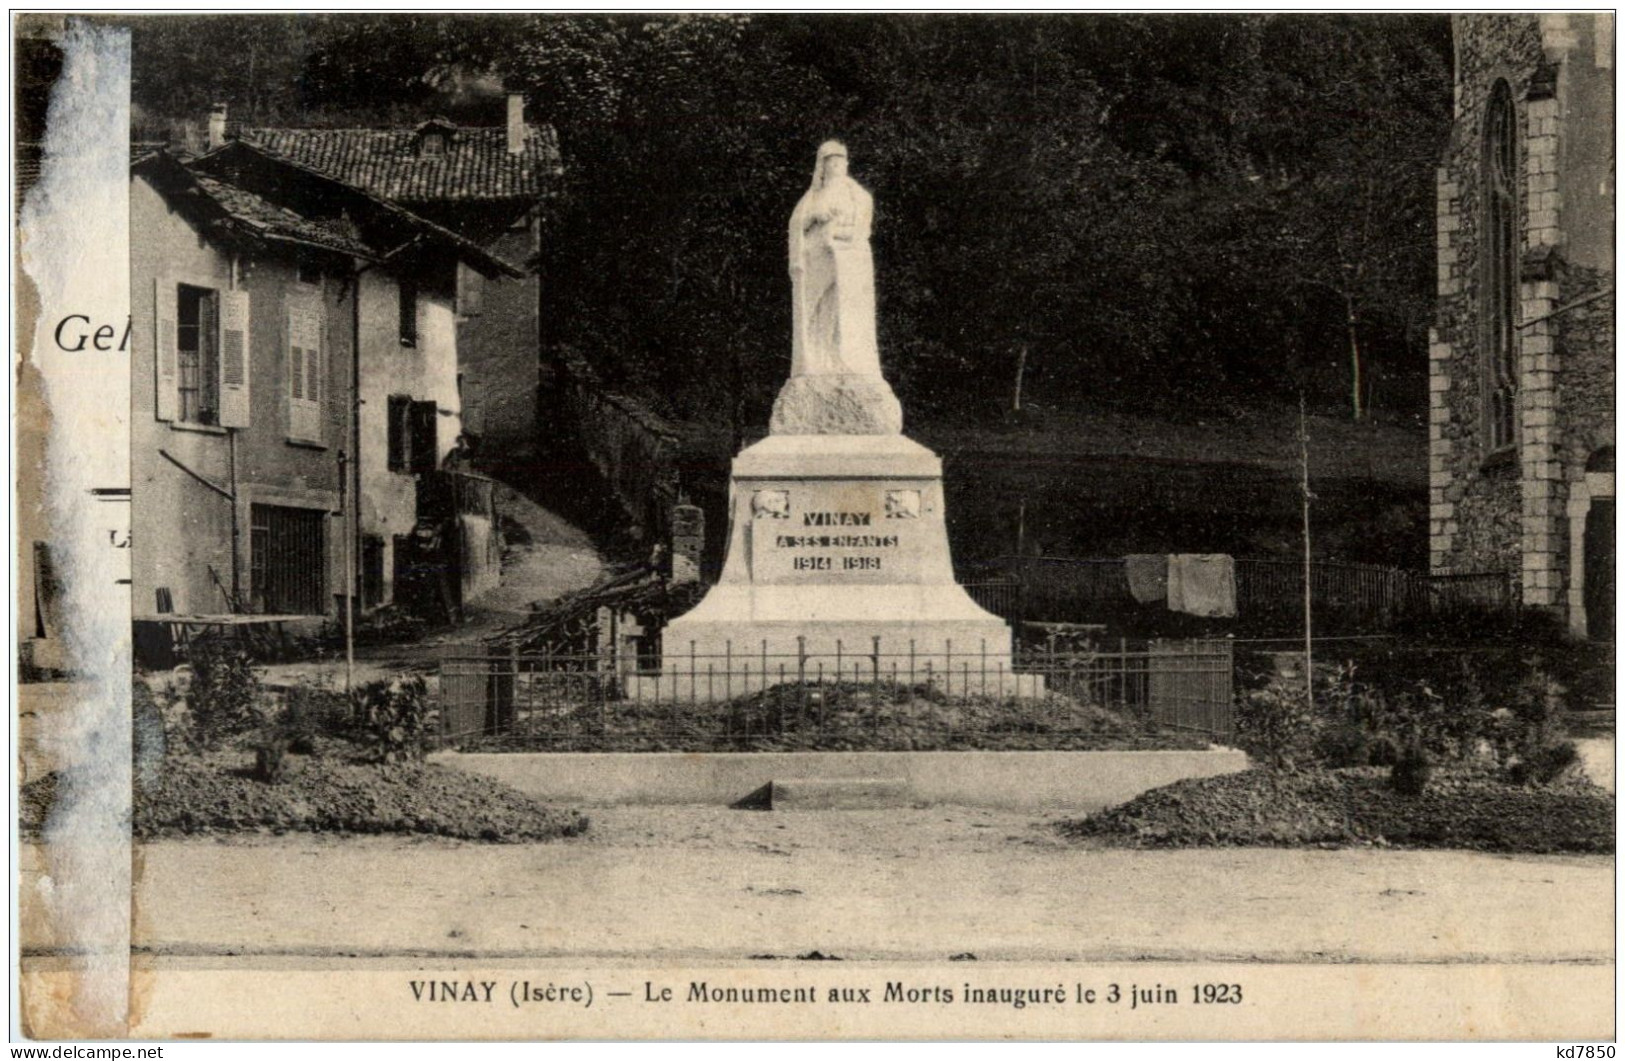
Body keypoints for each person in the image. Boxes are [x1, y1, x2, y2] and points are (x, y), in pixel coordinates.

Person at [788, 141, 880, 378]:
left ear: (846, 164)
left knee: (845, 311)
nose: (836, 167)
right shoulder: (813, 196)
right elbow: (797, 224)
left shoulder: (858, 196)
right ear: (822, 167)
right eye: (830, 163)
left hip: (848, 260)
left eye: (840, 162)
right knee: (816, 310)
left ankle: (847, 362)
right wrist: (814, 215)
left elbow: (862, 229)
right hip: (818, 259)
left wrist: (845, 235)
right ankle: (818, 361)